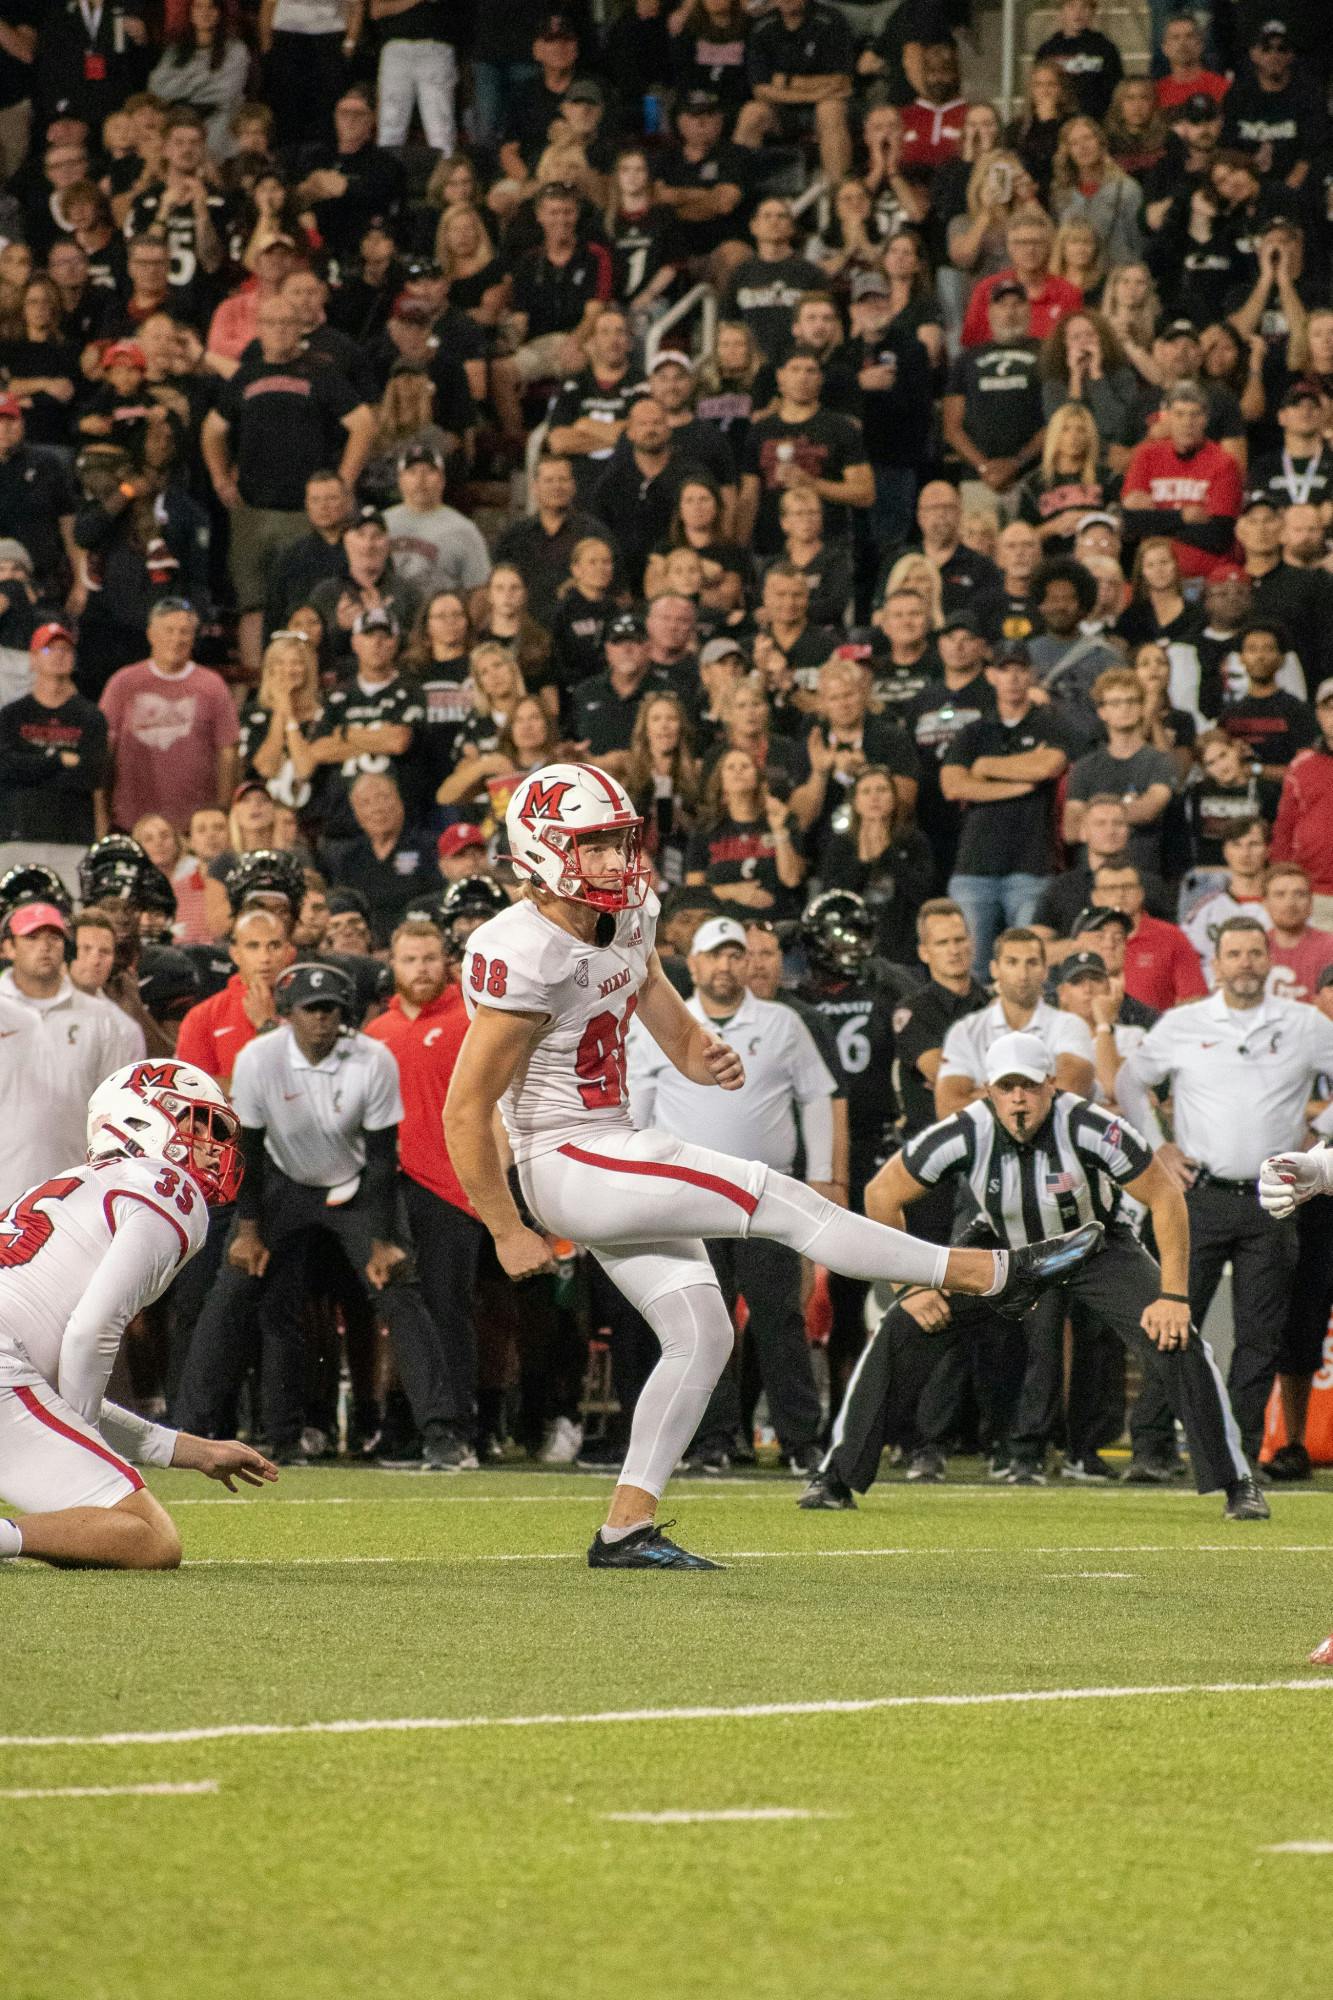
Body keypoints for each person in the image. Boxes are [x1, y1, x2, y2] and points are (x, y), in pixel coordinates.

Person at [443, 761, 1100, 1569]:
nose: (617, 861)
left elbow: (652, 998)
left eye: (620, 842)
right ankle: (988, 1275)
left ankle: (625, 1527)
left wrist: (698, 1054)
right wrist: (505, 1226)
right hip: (566, 1156)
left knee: (701, 1332)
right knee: (777, 1196)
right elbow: (465, 1110)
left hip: (605, 1142)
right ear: (540, 851)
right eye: (595, 846)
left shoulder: (627, 917)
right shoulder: (522, 950)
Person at [801, 1031, 1264, 1515]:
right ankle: (836, 1477)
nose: (1018, 1098)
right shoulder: (965, 1130)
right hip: (1000, 1252)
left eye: (1028, 1086)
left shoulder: (1092, 1126)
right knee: (901, 1327)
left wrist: (1173, 1295)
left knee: (1177, 1337)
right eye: (1006, 1087)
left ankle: (1236, 1481)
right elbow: (881, 1193)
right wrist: (910, 1287)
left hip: (1092, 1245)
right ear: (988, 1090)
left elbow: (1165, 1195)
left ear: (1051, 1085)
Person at [172, 960, 461, 1468]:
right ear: (288, 1014)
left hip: (357, 1187)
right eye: (311, 1009)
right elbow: (252, 1154)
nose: (322, 1019)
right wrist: (248, 1230)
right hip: (283, 1183)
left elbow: (379, 1157)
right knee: (236, 1287)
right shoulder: (259, 1059)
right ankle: (189, 1434)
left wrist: (381, 1239)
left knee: (398, 1290)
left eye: (331, 1010)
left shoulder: (373, 1059)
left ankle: (443, 1438)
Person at [0, 1058, 277, 1570]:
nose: (209, 1142)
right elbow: (91, 1330)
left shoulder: (74, 1182)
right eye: (194, 1120)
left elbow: (44, 1391)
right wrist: (84, 1447)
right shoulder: (167, 1187)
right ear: (139, 1118)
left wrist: (190, 1450)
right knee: (149, 1539)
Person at [1119, 915, 1333, 1467]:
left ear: (1270, 961)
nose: (1245, 963)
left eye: (1254, 953)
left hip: (1273, 1198)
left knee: (1260, 1339)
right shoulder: (1183, 1024)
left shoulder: (1306, 1023)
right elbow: (1130, 1081)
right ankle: (1151, 1448)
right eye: (1234, 953)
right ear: (1216, 964)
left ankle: (1231, 1456)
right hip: (1200, 1196)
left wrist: (1320, 1141)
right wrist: (1157, 1146)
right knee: (1171, 1320)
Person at [629, 914, 832, 1476]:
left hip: (766, 1192)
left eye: (734, 954)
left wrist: (823, 1178)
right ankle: (709, 1440)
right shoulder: (667, 1021)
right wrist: (640, 1186)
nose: (725, 964)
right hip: (689, 1194)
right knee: (702, 1323)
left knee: (780, 1320)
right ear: (691, 963)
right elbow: (639, 1107)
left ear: (749, 961)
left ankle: (800, 1441)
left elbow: (816, 1098)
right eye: (714, 955)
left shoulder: (784, 1022)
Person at [940, 641, 1072, 973]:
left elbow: (1048, 766)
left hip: (1032, 865)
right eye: (1004, 670)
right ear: (990, 676)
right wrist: (1019, 784)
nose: (1012, 678)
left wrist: (984, 768)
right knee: (972, 969)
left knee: (1030, 969)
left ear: (1031, 676)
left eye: (1019, 670)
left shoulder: (1050, 724)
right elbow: (952, 785)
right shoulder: (973, 732)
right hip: (974, 866)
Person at [0, 896, 145, 1196]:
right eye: (32, 937)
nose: (45, 946)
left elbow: (118, 1115)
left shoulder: (107, 1022)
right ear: (8, 947)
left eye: (54, 937)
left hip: (74, 1199)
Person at [97, 599, 239, 834]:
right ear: (151, 634)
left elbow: (228, 752)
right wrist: (101, 812)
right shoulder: (123, 682)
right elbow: (104, 749)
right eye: (169, 631)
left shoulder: (212, 685)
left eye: (184, 632)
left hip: (194, 827)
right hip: (132, 823)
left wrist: (222, 812)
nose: (177, 639)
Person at [935, 925, 1096, 1116]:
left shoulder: (1071, 1026)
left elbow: (1070, 1093)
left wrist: (983, 1093)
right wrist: (1038, 1091)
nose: (1023, 975)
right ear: (994, 969)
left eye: (1032, 963)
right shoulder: (965, 1032)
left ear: (1045, 971)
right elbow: (948, 1107)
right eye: (1012, 962)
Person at [0, 623, 108, 891]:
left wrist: (30, 767)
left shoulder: (91, 717)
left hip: (72, 838)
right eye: (50, 648)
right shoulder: (12, 715)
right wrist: (58, 760)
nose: (59, 655)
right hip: (18, 833)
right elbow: (5, 769)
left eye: (66, 649)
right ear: (33, 659)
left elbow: (88, 776)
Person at [1271, 678, 1333, 925]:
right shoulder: (1301, 766)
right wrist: (1281, 884)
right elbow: (1284, 830)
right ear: (1318, 714)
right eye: (1330, 708)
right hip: (1310, 894)